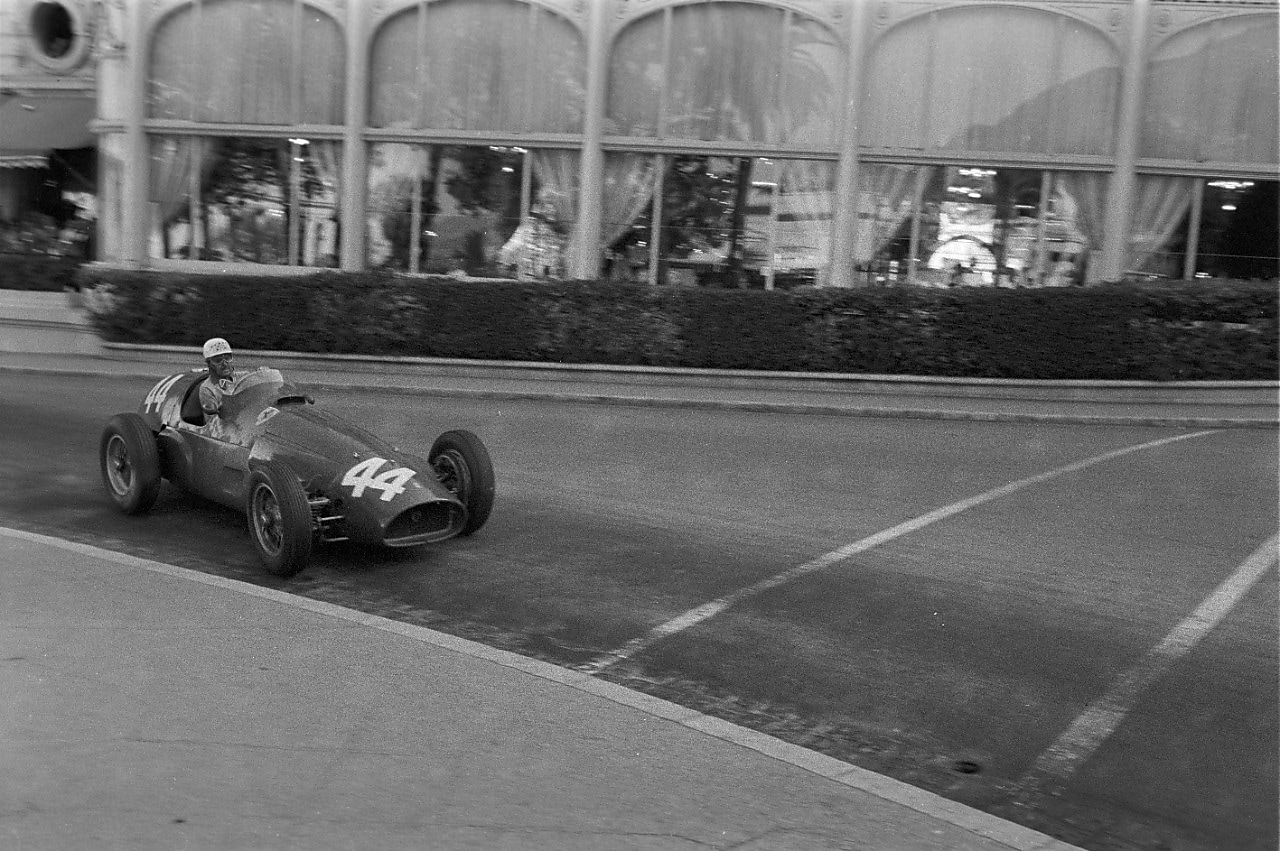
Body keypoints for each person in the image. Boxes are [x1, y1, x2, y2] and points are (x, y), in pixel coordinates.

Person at [199, 337, 238, 421]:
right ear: (209, 363)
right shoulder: (207, 389)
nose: (225, 364)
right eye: (218, 360)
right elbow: (214, 423)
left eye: (227, 358)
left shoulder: (242, 377)